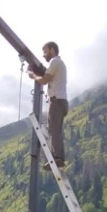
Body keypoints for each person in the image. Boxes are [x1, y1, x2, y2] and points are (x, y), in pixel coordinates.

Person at [28, 41, 68, 171]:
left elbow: (44, 80)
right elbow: (48, 77)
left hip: (56, 100)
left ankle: (57, 158)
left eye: (45, 51)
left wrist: (33, 75)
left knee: (53, 130)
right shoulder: (59, 64)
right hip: (62, 100)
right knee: (56, 130)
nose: (44, 55)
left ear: (52, 50)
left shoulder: (55, 62)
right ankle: (59, 157)